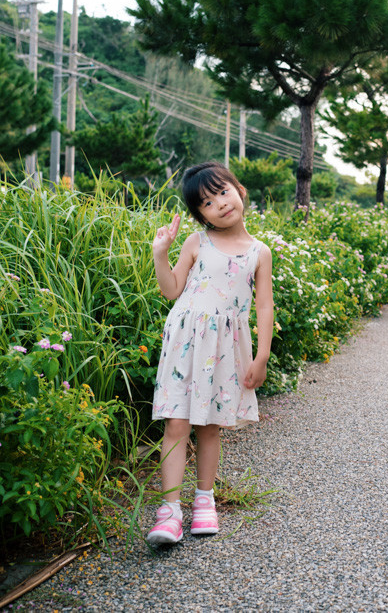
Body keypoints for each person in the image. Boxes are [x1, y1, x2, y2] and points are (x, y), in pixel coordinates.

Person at [147, 161, 274, 545]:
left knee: (210, 425)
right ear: (198, 214)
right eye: (206, 202)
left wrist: (262, 357)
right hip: (186, 341)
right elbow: (171, 290)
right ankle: (169, 511)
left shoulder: (259, 252)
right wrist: (160, 254)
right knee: (176, 423)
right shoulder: (196, 243)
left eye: (223, 191)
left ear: (240, 190)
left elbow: (265, 306)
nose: (219, 204)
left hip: (223, 348)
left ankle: (205, 499)